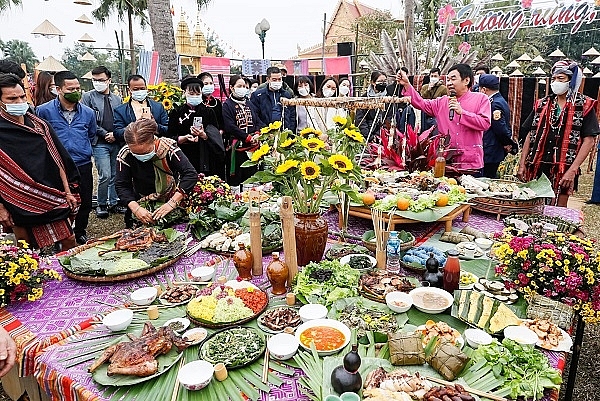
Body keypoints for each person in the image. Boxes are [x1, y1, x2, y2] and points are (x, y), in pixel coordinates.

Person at [0, 73, 80, 251]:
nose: (19, 102)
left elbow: (58, 159)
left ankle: (68, 278)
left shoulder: (39, 125)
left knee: (69, 240)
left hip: (51, 195)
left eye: (22, 96)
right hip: (17, 200)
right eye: (12, 99)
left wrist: (68, 192)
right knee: (25, 249)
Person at [518, 60, 599, 207]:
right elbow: (531, 134)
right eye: (554, 78)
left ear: (572, 80)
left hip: (564, 167)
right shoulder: (542, 104)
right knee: (532, 206)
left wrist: (572, 170)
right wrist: (522, 164)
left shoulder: (584, 105)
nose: (556, 82)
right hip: (537, 164)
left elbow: (589, 140)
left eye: (561, 79)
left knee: (559, 211)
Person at [396, 63, 491, 174]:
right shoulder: (442, 101)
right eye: (448, 79)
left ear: (466, 81)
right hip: (445, 161)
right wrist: (407, 84)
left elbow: (485, 123)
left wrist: (462, 113)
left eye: (453, 79)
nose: (449, 83)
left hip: (470, 163)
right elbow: (421, 103)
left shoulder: (481, 99)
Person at [36, 70, 96, 245]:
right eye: (70, 89)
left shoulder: (88, 113)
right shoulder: (43, 111)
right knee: (59, 201)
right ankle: (59, 235)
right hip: (57, 164)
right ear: (58, 89)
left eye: (78, 88)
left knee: (84, 200)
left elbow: (91, 135)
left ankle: (80, 231)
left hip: (82, 163)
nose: (76, 91)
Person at [115, 119, 197, 227]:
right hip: (140, 197)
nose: (140, 157)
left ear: (153, 141)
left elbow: (190, 174)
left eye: (145, 152)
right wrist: (136, 209)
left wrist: (172, 203)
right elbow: (121, 184)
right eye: (135, 153)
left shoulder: (168, 148)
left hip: (170, 196)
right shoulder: (125, 154)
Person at [82, 66, 124, 219]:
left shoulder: (117, 99)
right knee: (104, 174)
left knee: (115, 174)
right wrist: (105, 134)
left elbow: (120, 119)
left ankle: (113, 202)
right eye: (95, 80)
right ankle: (101, 203)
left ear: (109, 81)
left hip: (116, 141)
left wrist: (116, 134)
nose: (97, 83)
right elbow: (88, 119)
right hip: (99, 142)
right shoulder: (87, 97)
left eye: (101, 80)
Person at [167, 76, 225, 179]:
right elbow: (169, 137)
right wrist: (183, 138)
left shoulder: (208, 112)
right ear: (184, 93)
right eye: (191, 94)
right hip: (183, 155)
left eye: (198, 94)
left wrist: (203, 135)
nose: (195, 96)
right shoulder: (176, 112)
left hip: (205, 156)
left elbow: (216, 138)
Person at [223, 74, 265, 186]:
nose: (243, 89)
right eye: (239, 86)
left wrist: (257, 133)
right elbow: (229, 126)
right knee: (236, 178)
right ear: (232, 88)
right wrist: (247, 137)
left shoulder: (249, 104)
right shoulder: (227, 105)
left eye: (245, 87)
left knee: (251, 177)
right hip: (237, 148)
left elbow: (257, 121)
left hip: (252, 147)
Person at [478, 74, 517, 178]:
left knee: (486, 179)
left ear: (484, 89)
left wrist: (507, 143)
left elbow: (499, 128)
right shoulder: (499, 100)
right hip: (493, 149)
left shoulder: (494, 104)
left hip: (491, 149)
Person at [113, 74, 169, 144]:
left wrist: (155, 126)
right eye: (136, 89)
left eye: (142, 89)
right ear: (129, 90)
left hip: (156, 147)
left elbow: (168, 129)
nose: (140, 91)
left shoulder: (158, 107)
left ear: (146, 88)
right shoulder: (120, 110)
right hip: (132, 149)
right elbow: (117, 133)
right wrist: (135, 126)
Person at [250, 66, 296, 132]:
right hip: (265, 133)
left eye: (279, 79)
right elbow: (255, 116)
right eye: (274, 80)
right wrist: (266, 130)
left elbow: (292, 115)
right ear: (268, 79)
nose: (277, 82)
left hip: (284, 132)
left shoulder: (287, 94)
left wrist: (290, 130)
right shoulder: (258, 95)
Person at [355, 71, 391, 143]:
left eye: (384, 81)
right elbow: (360, 119)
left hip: (383, 135)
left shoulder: (389, 98)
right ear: (373, 82)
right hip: (367, 134)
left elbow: (389, 117)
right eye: (380, 81)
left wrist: (380, 134)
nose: (383, 83)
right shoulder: (364, 98)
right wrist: (369, 136)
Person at [420, 67, 449, 133]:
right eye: (432, 76)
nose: (433, 78)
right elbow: (421, 99)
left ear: (439, 77)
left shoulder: (443, 88)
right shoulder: (425, 87)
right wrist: (428, 90)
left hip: (436, 115)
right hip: (425, 114)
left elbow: (445, 102)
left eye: (435, 76)